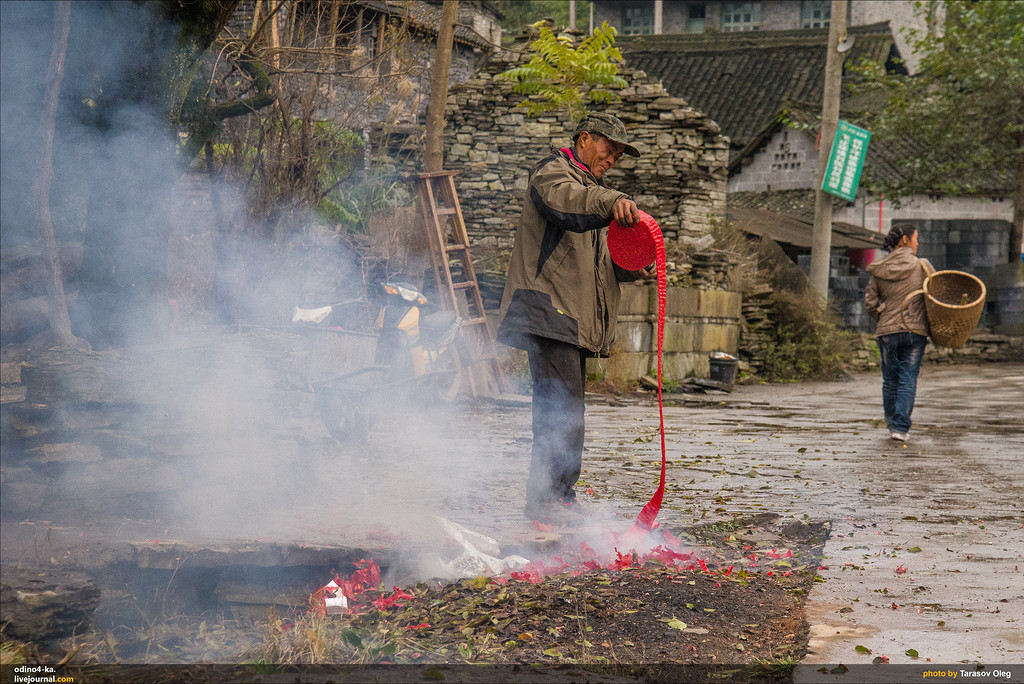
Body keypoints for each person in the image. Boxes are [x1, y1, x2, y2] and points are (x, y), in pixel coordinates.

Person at [496, 112, 653, 523]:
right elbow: (567, 206)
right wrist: (611, 201)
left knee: (567, 411)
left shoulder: (593, 193)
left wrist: (635, 265)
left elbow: (599, 265)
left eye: (619, 153)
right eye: (609, 147)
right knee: (561, 410)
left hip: (568, 318)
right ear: (584, 139)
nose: (613, 158)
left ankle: (554, 499)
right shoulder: (553, 174)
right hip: (546, 309)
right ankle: (550, 503)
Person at [864, 222, 934, 443]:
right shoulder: (922, 267)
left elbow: (870, 303)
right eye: (915, 238)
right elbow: (935, 298)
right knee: (907, 378)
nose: (917, 242)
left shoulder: (879, 268)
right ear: (905, 240)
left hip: (886, 332)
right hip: (914, 331)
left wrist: (883, 316)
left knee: (890, 380)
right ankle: (900, 428)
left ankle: (892, 425)